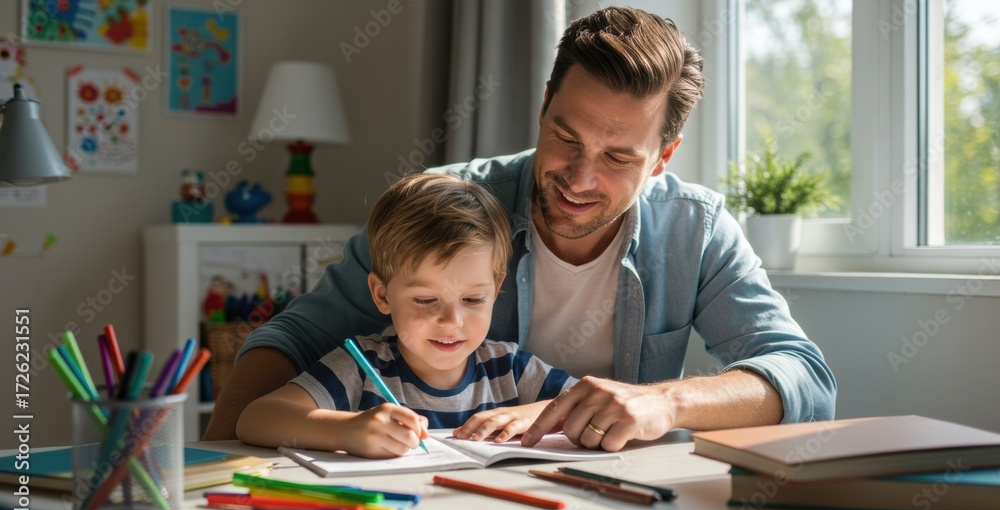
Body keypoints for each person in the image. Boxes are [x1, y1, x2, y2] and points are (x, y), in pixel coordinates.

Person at [206, 6, 836, 450]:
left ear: (663, 158)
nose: (579, 178)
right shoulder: (445, 206)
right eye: (565, 136)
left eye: (619, 158)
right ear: (541, 107)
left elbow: (804, 377)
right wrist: (217, 464)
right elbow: (291, 336)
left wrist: (662, 403)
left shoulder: (695, 229)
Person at [235, 173, 577, 457]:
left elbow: (584, 404)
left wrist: (532, 414)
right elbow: (256, 419)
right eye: (426, 300)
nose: (451, 321)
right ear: (382, 293)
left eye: (473, 299)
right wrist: (347, 431)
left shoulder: (511, 369)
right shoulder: (361, 366)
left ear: (497, 288)